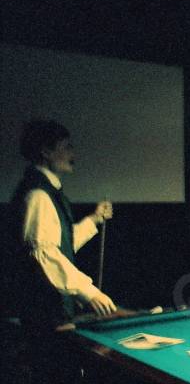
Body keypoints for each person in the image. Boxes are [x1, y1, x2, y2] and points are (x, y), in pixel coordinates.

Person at [10, 119, 115, 335]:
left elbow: (59, 244)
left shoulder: (47, 191)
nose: (72, 153)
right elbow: (45, 254)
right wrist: (89, 293)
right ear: (46, 152)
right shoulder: (38, 195)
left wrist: (94, 219)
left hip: (50, 313)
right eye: (66, 147)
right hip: (43, 314)